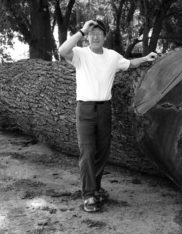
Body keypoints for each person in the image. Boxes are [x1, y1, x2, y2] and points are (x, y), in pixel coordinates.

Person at [58, 19, 157, 212]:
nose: (95, 36)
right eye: (91, 32)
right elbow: (62, 51)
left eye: (99, 33)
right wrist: (81, 30)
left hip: (105, 109)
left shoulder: (112, 56)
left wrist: (146, 59)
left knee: (102, 152)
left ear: (105, 36)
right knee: (87, 153)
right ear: (88, 36)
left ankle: (96, 188)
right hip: (85, 109)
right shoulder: (80, 54)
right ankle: (88, 195)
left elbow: (129, 63)